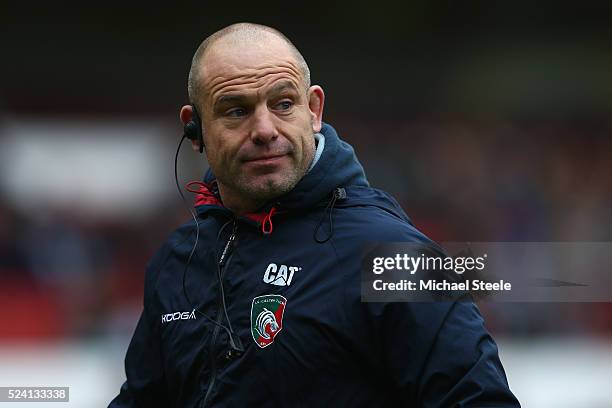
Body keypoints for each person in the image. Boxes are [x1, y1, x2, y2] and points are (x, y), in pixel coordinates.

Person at [109, 23, 520, 407]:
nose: (265, 129)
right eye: (236, 111)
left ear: (314, 110)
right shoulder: (177, 261)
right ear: (194, 128)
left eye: (283, 103)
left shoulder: (391, 256)